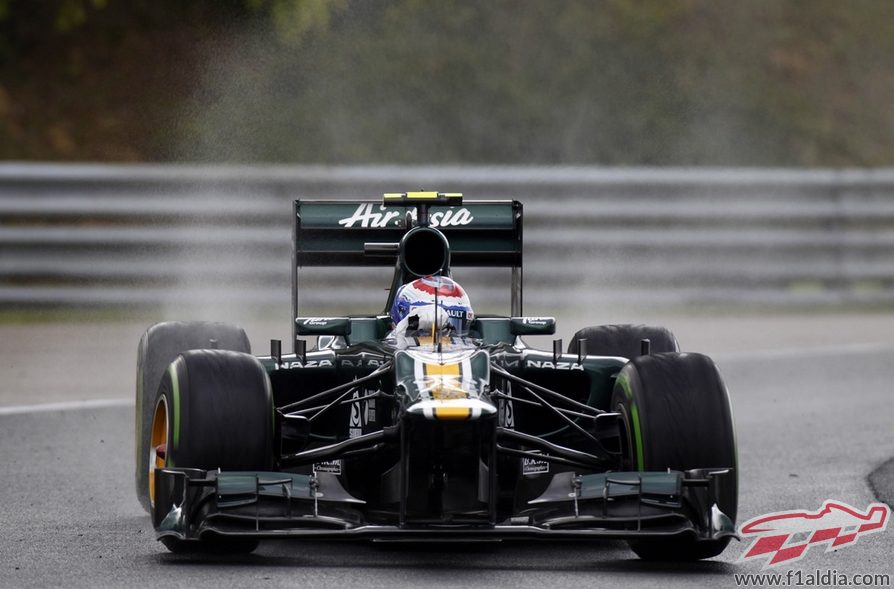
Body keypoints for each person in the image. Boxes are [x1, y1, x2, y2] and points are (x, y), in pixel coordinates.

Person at [389, 275, 474, 337]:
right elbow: (391, 345)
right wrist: (402, 331)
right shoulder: (389, 347)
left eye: (448, 330)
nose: (441, 338)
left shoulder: (474, 353)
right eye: (428, 329)